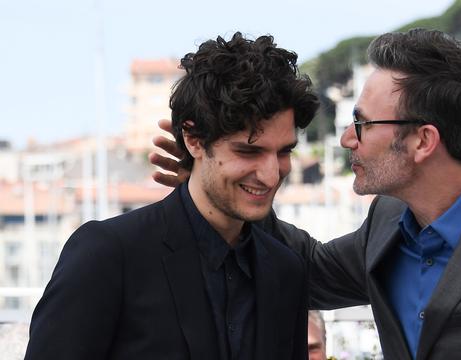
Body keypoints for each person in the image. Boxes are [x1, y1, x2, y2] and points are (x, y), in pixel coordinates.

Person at [151, 29, 461, 359]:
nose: (347, 139)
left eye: (362, 123)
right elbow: (306, 270)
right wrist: (223, 190)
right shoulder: (388, 220)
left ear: (424, 141)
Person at [25, 32, 319, 360]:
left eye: (283, 151)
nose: (271, 174)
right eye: (248, 151)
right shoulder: (108, 254)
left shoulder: (286, 271)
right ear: (193, 139)